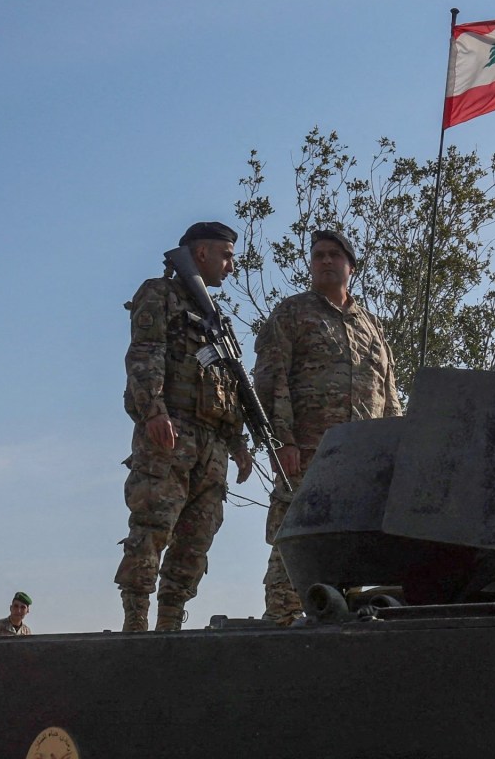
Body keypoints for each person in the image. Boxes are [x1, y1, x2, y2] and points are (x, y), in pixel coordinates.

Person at [253, 229, 402, 624]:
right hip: (308, 451)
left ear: (351, 266)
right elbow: (270, 379)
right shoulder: (292, 313)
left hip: (362, 460)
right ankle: (282, 621)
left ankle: (338, 620)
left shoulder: (371, 326)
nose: (325, 261)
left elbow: (388, 392)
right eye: (318, 255)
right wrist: (282, 440)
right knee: (296, 537)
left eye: (334, 255)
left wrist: (394, 452)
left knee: (350, 540)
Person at [115, 221, 254, 632]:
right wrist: (154, 410)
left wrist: (238, 442)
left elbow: (227, 383)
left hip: (212, 444)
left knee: (196, 540)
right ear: (201, 253)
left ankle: (170, 625)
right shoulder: (160, 294)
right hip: (171, 433)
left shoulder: (214, 316)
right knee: (152, 527)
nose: (231, 266)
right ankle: (136, 625)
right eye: (226, 256)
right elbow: (145, 353)